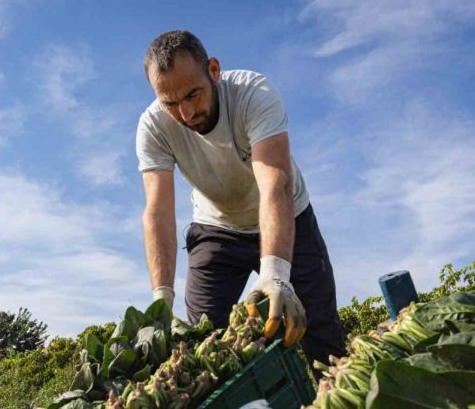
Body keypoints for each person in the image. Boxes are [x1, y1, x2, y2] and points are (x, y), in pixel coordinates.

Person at [136, 30, 346, 370]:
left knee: (321, 334)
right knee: (202, 345)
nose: (186, 113)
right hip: (216, 228)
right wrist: (162, 297)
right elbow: (158, 211)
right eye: (171, 104)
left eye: (193, 94)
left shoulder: (253, 94)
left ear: (214, 70)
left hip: (285, 217)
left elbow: (275, 181)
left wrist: (276, 272)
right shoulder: (153, 127)